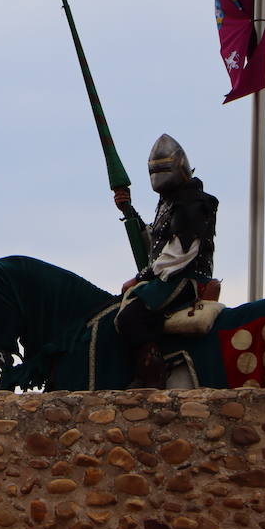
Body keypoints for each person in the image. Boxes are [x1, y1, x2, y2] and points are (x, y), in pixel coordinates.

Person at [115, 134, 218, 387]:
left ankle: (154, 377)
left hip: (186, 278)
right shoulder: (169, 202)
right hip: (167, 276)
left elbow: (178, 255)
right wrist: (128, 211)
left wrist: (140, 278)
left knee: (130, 317)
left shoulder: (195, 203)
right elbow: (156, 245)